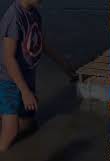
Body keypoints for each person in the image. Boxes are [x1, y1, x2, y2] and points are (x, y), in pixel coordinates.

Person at [0, 0, 77, 151]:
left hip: (27, 75)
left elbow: (41, 43)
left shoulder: (34, 13)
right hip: (9, 79)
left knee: (29, 125)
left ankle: (5, 115)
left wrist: (62, 63)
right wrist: (25, 92)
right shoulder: (14, 17)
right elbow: (8, 58)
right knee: (11, 133)